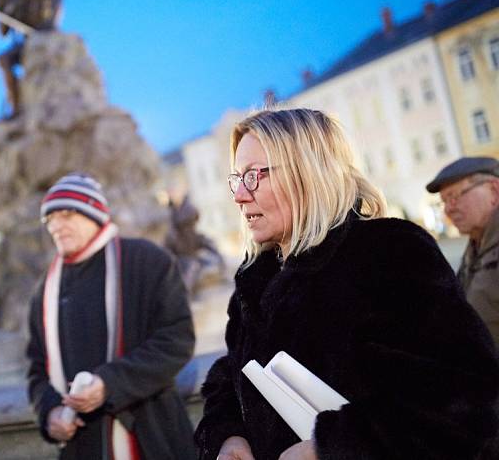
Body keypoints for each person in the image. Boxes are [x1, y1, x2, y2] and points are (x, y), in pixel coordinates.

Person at [194, 107, 499, 460]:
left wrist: (329, 448)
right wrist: (229, 437)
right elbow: (228, 378)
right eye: (236, 179)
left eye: (253, 177)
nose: (239, 195)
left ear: (307, 172)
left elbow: (464, 402)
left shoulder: (389, 253)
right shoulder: (255, 278)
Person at [27, 173, 197, 459]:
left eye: (67, 214)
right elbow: (36, 369)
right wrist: (49, 411)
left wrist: (109, 383)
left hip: (153, 436)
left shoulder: (147, 261)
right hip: (82, 445)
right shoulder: (44, 290)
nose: (56, 226)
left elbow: (177, 339)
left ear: (94, 214)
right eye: (50, 219)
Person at [426, 156, 499, 347]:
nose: (448, 209)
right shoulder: (477, 244)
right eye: (444, 201)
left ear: (494, 190)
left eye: (455, 197)